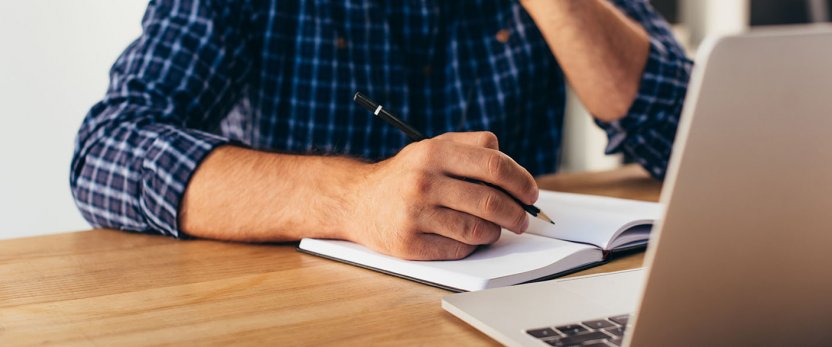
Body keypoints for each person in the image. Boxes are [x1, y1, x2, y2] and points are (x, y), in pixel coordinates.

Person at [70, 0, 691, 260]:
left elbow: (692, 138)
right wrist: (354, 198)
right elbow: (108, 151)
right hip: (306, 319)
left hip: (512, 299)